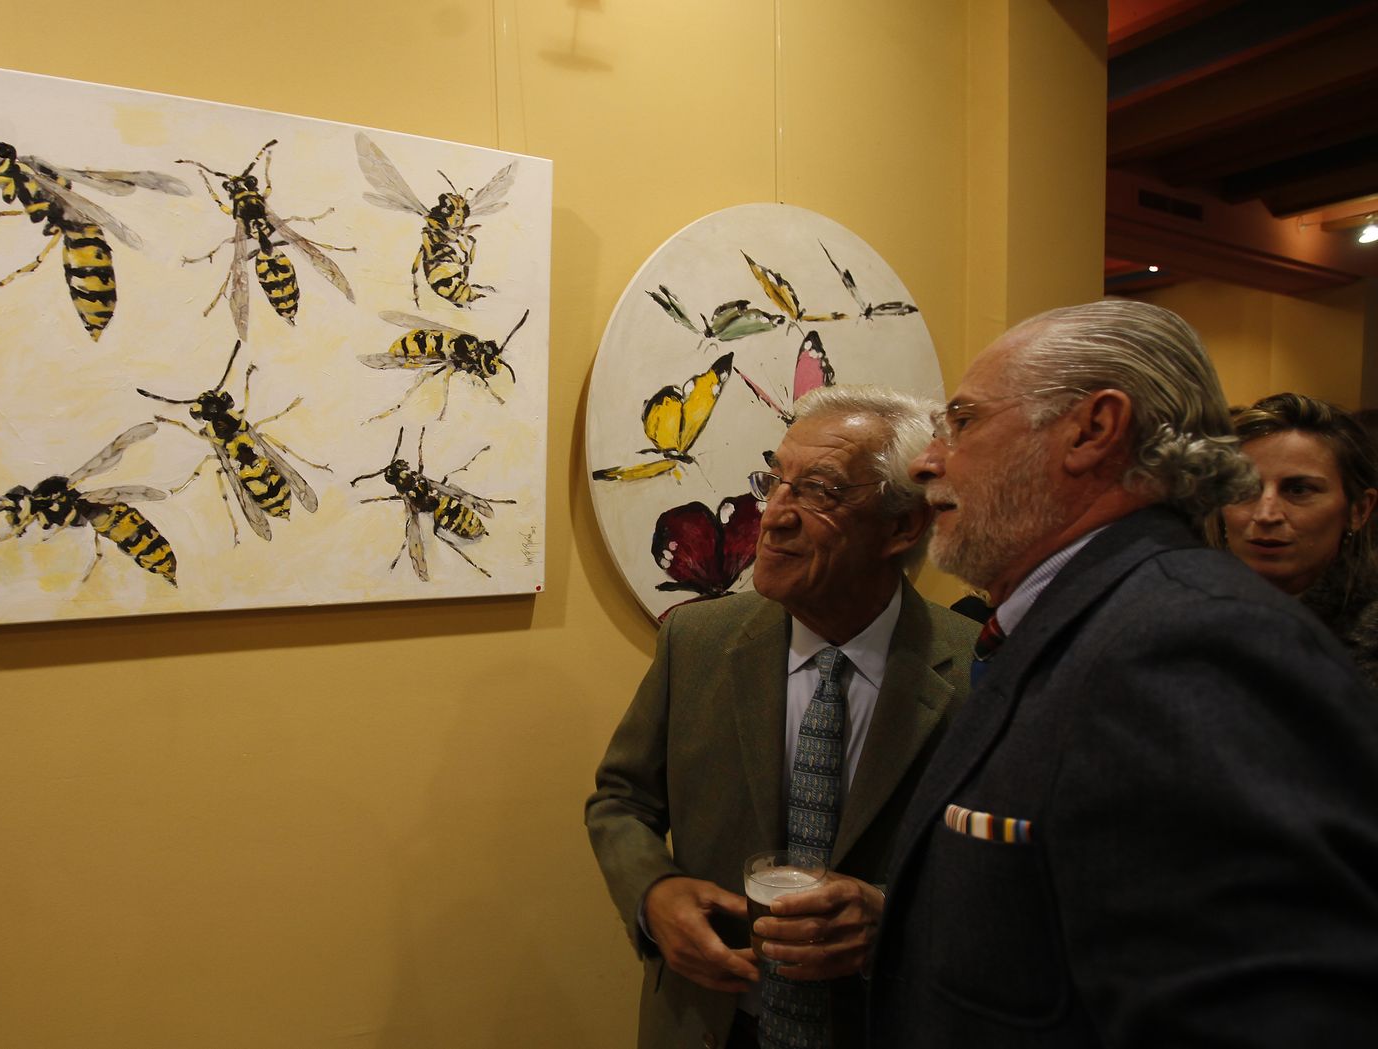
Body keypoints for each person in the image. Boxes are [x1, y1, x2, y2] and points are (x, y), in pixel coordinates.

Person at [868, 300, 1378, 1048]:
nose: (926, 461)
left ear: (1094, 429)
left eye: (964, 421)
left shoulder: (1195, 644)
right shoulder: (1081, 621)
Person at [586, 385, 980, 1049]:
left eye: (819, 490)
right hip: (711, 1023)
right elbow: (621, 799)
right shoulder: (698, 641)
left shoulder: (980, 672)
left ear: (901, 527)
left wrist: (892, 918)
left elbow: (1019, 884)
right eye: (775, 479)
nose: (773, 515)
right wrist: (654, 892)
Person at [1217, 392, 1378, 685]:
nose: (1266, 514)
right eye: (1245, 487)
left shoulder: (1366, 637)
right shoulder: (1180, 607)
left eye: (1299, 490)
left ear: (1358, 510)